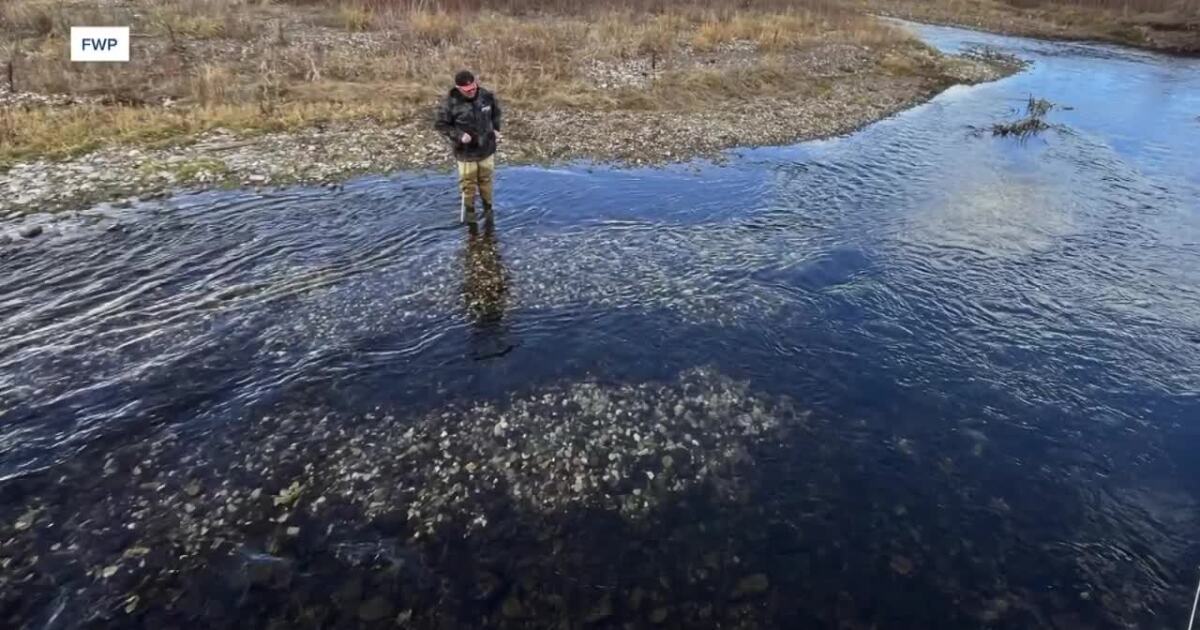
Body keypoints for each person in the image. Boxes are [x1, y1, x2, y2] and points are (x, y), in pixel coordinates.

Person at [434, 70, 503, 224]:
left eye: (473, 88)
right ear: (459, 88)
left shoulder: (486, 96)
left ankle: (488, 208)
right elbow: (440, 125)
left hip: (486, 148)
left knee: (486, 180)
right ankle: (470, 212)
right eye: (467, 91)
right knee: (468, 183)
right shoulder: (449, 103)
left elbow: (496, 113)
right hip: (465, 152)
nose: (472, 92)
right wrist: (459, 135)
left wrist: (496, 129)